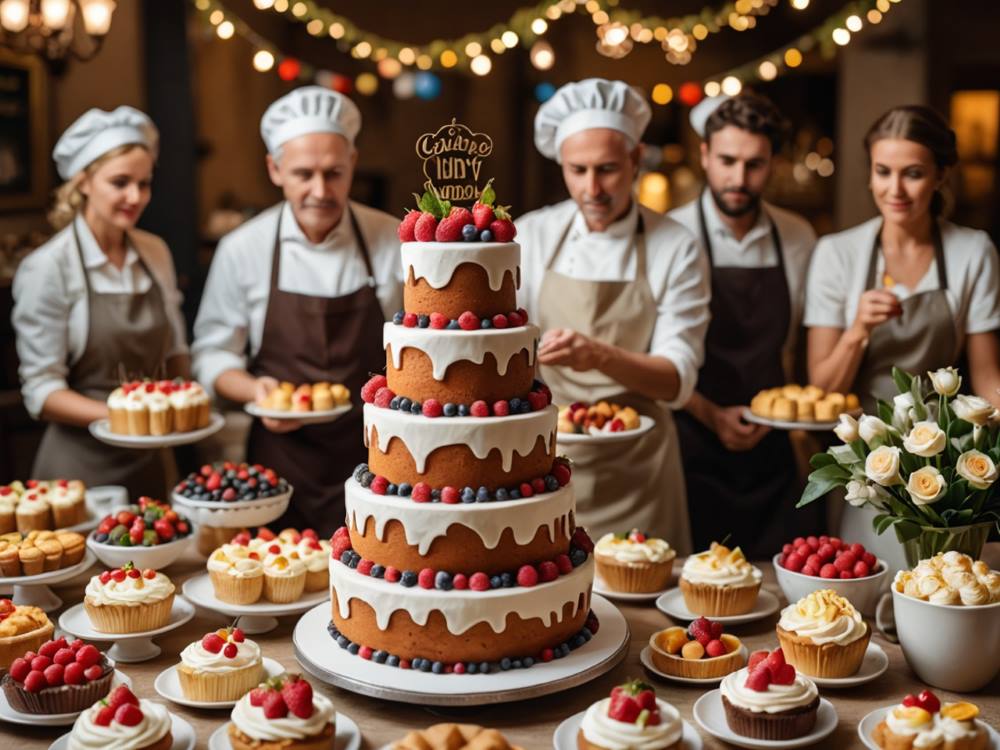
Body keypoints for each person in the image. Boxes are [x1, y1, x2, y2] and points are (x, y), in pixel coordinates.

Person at [191, 87, 402, 535]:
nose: (320, 191)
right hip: (280, 464)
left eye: (334, 173)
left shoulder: (392, 240)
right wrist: (255, 390)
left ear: (354, 165)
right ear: (275, 169)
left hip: (378, 454)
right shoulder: (242, 248)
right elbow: (212, 355)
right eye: (304, 174)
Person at [517, 78, 711, 554]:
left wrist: (599, 355)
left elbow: (677, 381)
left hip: (640, 467)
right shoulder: (533, 235)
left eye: (607, 169)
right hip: (548, 459)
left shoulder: (676, 246)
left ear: (636, 158)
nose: (592, 188)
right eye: (577, 170)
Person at [669, 94, 820, 557]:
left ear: (773, 163)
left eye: (754, 164)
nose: (738, 179)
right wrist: (710, 413)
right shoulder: (670, 235)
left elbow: (798, 348)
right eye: (727, 161)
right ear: (705, 156)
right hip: (689, 443)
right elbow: (654, 357)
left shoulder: (798, 237)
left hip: (772, 452)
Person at [12, 106, 188, 498]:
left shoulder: (155, 252)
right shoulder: (47, 268)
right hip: (78, 473)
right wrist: (128, 417)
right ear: (84, 181)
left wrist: (185, 401)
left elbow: (176, 353)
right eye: (120, 182)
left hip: (154, 462)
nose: (135, 196)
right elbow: (42, 392)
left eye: (144, 184)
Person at [805, 105, 1000, 411]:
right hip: (853, 448)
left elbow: (988, 380)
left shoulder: (974, 251)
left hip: (942, 450)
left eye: (913, 174)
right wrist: (858, 330)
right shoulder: (836, 253)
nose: (895, 190)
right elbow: (822, 390)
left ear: (940, 176)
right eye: (883, 171)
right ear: (870, 174)